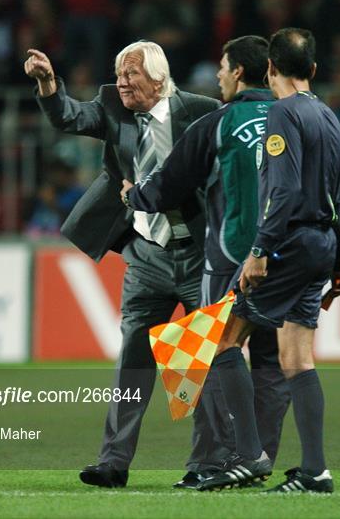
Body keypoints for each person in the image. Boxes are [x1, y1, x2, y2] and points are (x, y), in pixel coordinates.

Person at [24, 41, 220, 487]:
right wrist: (49, 86)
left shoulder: (203, 111)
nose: (122, 83)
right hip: (147, 254)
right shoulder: (113, 106)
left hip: (197, 254)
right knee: (132, 360)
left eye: (130, 74)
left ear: (158, 78)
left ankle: (206, 463)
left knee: (194, 363)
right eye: (118, 73)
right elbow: (70, 117)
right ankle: (113, 463)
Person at [121, 36, 290, 488]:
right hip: (292, 256)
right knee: (276, 359)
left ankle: (235, 457)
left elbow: (167, 185)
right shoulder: (297, 116)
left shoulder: (218, 122)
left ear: (238, 72)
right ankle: (262, 457)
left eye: (221, 66)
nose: (217, 75)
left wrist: (132, 194)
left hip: (234, 257)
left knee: (213, 350)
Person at [194, 28, 340, 494]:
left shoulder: (282, 114)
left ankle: (249, 456)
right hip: (322, 245)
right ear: (314, 70)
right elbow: (336, 192)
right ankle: (315, 471)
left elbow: (281, 190)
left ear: (270, 69)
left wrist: (259, 251)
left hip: (289, 244)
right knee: (296, 359)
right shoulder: (328, 115)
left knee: (224, 339)